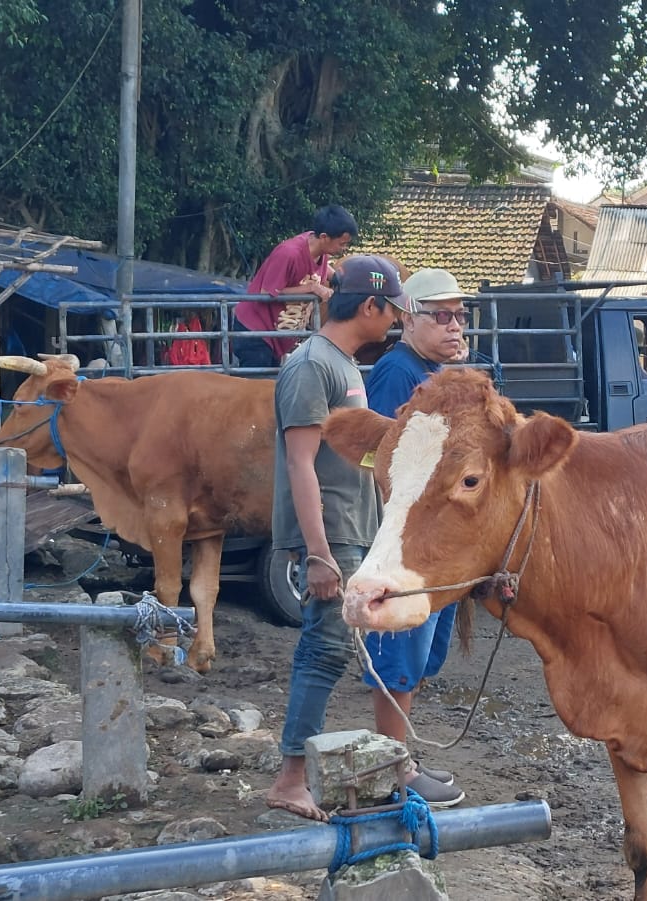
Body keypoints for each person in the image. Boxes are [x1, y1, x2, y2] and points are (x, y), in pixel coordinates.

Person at [264, 255, 411, 821]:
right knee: (323, 649)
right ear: (369, 306)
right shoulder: (310, 367)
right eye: (391, 311)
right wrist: (319, 554)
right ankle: (290, 777)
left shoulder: (343, 364)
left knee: (333, 649)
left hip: (354, 528)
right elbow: (301, 464)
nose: (394, 322)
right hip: (334, 536)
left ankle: (298, 771)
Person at [359, 268, 472, 807]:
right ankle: (391, 769)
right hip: (403, 543)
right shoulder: (397, 373)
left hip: (434, 545)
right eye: (441, 316)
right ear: (408, 319)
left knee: (421, 656)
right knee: (399, 652)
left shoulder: (433, 372)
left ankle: (401, 757)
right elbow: (386, 463)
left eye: (460, 316)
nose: (454, 328)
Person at [232, 206, 358, 369]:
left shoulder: (320, 251)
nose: (344, 249)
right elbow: (266, 293)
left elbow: (316, 267)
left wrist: (336, 277)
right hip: (256, 332)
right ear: (325, 237)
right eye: (342, 244)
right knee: (256, 389)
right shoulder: (288, 253)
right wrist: (312, 288)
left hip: (274, 336)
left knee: (272, 388)